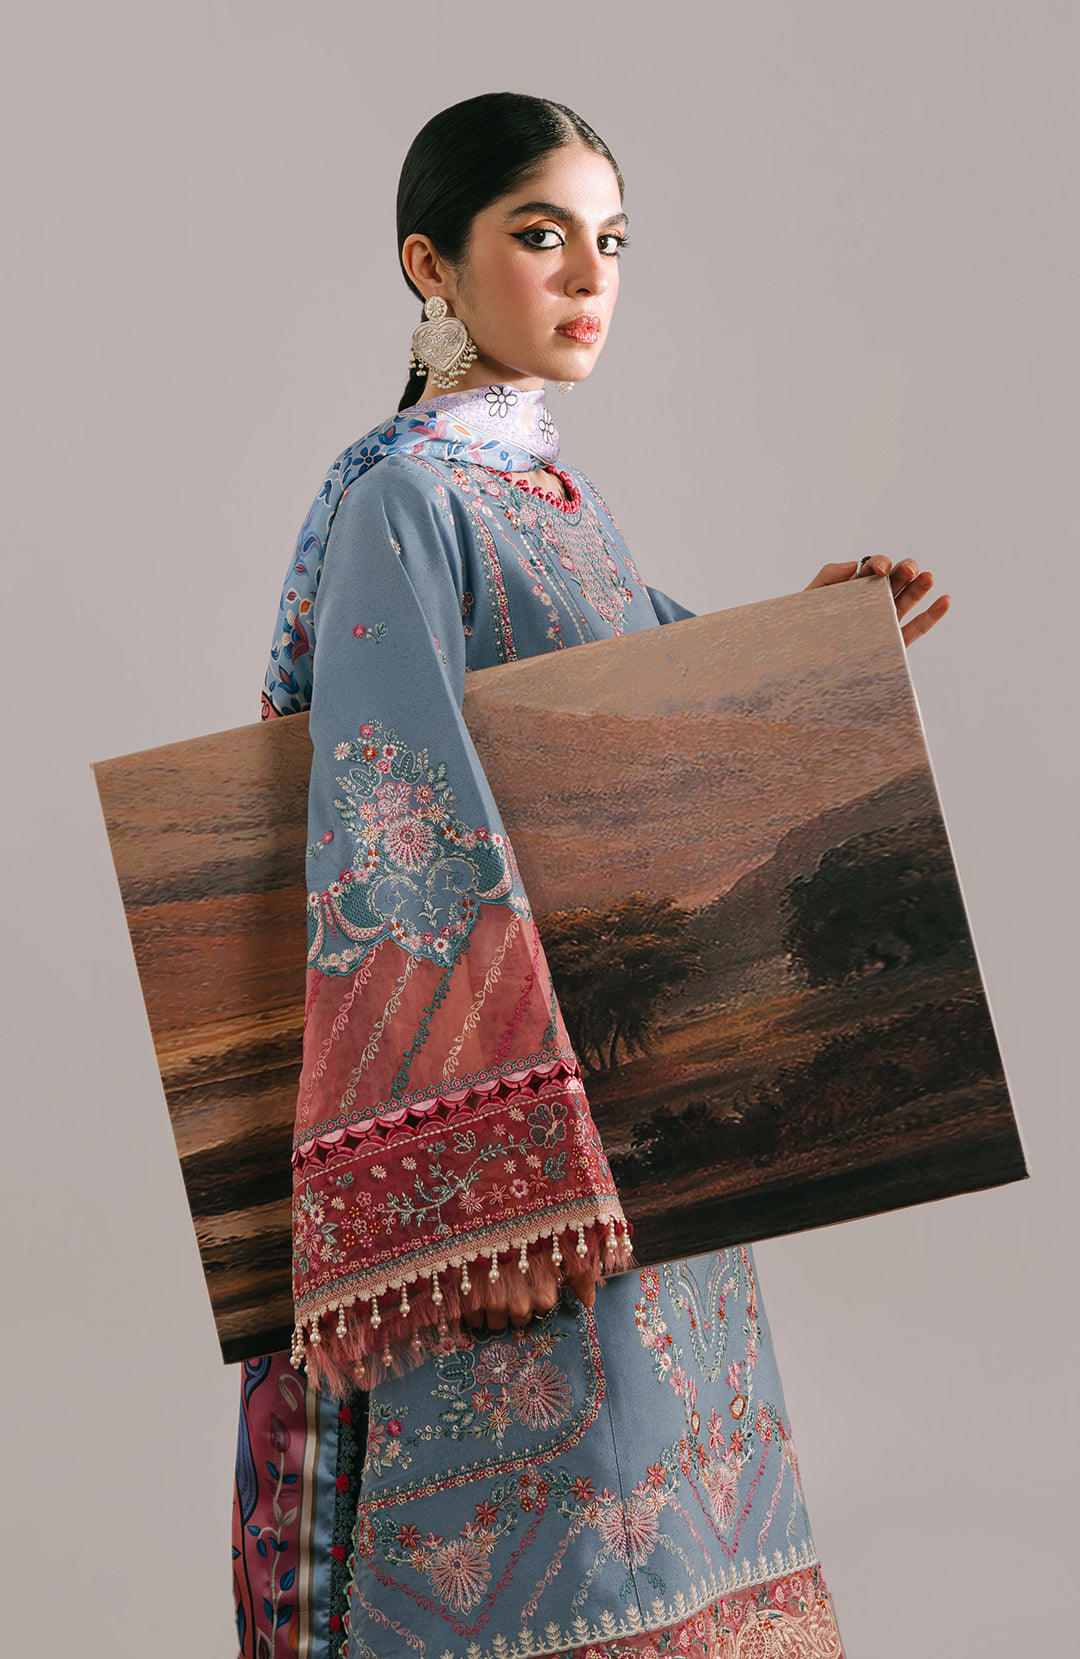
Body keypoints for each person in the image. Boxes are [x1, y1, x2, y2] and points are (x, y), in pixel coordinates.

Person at [235, 92, 947, 1659]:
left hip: (623, 1140)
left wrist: (815, 651)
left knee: (671, 1529)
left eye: (611, 241)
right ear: (430, 264)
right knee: (541, 1565)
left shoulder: (560, 507)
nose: (588, 275)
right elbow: (396, 827)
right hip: (511, 1161)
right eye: (541, 233)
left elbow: (645, 734)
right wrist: (481, 1196)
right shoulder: (406, 500)